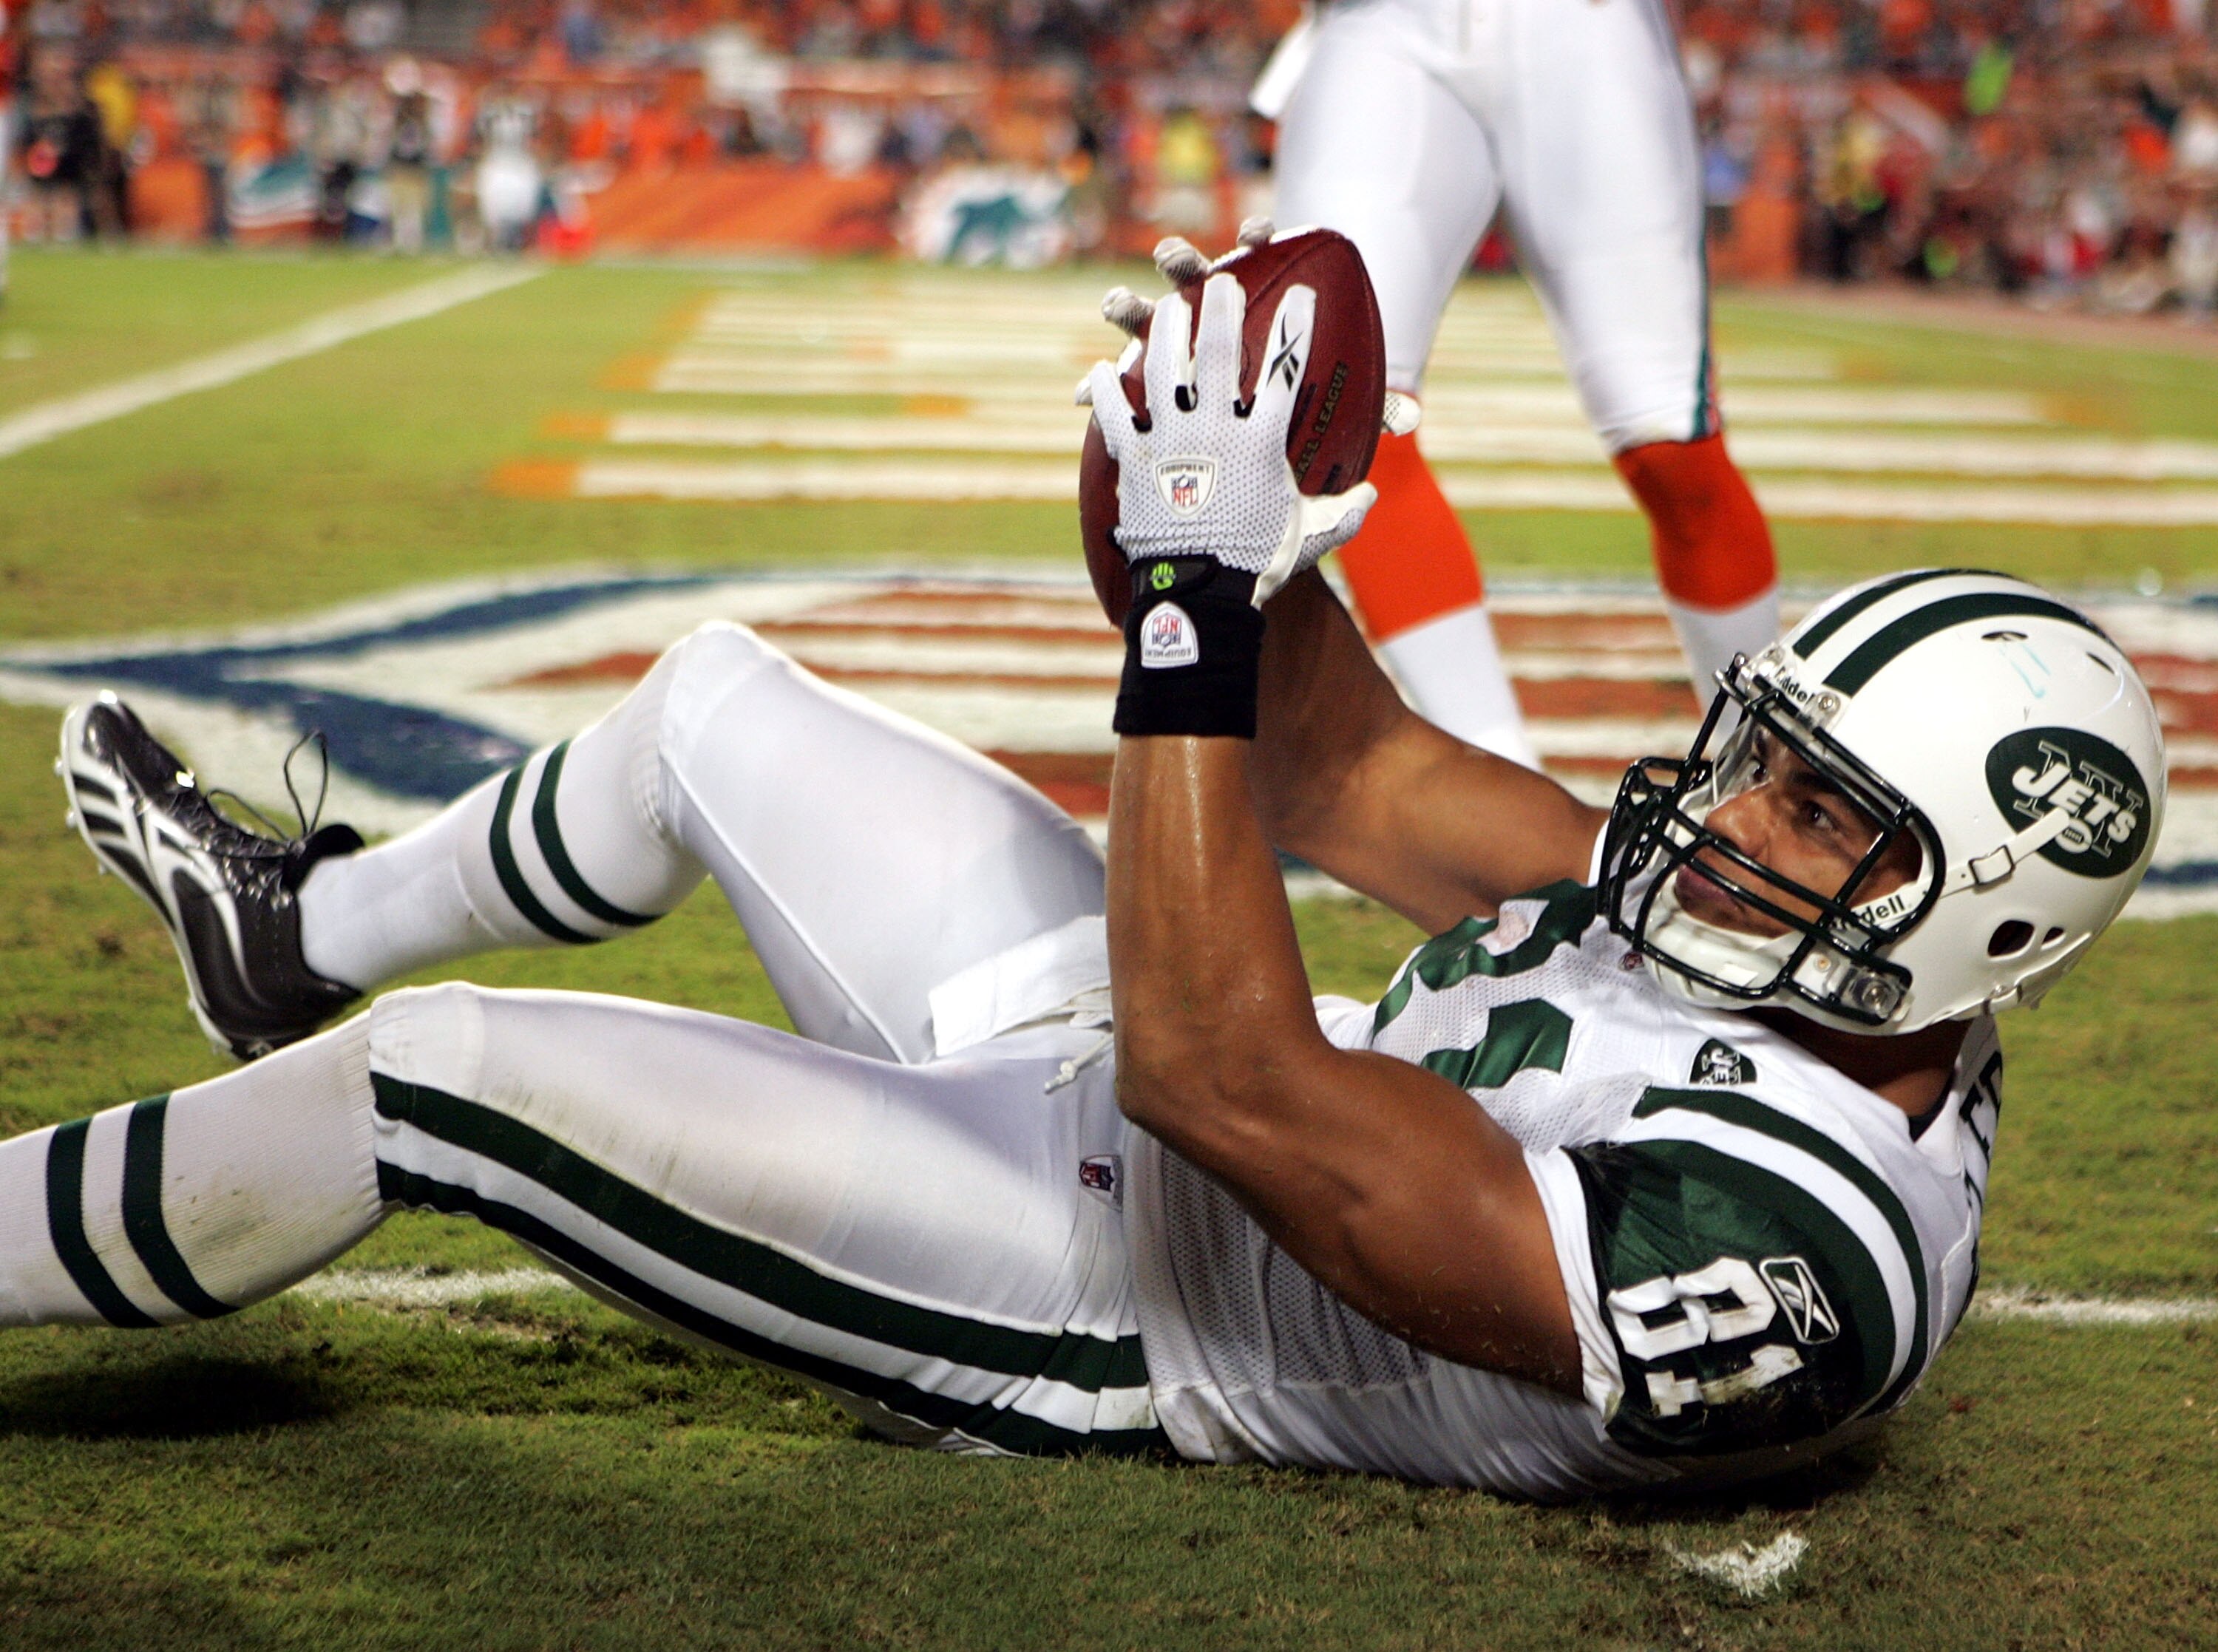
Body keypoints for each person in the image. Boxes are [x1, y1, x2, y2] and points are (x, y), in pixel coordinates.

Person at [10, 266, 2164, 1498]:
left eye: (1813, 808)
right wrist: (1206, 477)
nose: (1733, 812)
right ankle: (276, 940)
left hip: (1097, 1297)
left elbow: (1230, 1081)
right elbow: (1350, 761)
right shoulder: (1771, 919)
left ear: (1980, 908)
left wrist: (1188, 612)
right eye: (1765, 757)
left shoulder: (1804, 1257)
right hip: (1130, 1083)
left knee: (444, 1079)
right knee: (705, 706)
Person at [1257, 0, 1784, 765]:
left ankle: (1757, 769)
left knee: (1670, 448)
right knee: (1349, 427)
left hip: (1582, 27)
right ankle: (1502, 794)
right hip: (1377, 28)